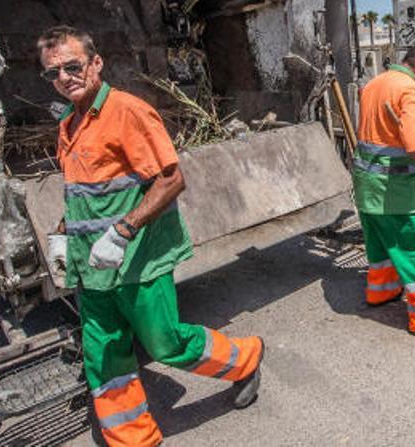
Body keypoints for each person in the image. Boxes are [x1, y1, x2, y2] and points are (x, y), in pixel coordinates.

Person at [39, 25, 264, 447]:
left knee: (164, 343)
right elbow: (85, 193)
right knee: (104, 353)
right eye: (54, 72)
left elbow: (171, 179)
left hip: (137, 259)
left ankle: (245, 359)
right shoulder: (68, 127)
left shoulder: (127, 112)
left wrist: (122, 232)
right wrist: (62, 235)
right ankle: (132, 437)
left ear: (96, 63)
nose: (65, 77)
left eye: (73, 66)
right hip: (93, 267)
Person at [352, 44, 415, 336]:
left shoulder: (375, 84)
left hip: (368, 188)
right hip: (399, 192)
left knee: (381, 245)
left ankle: (381, 292)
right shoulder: (410, 90)